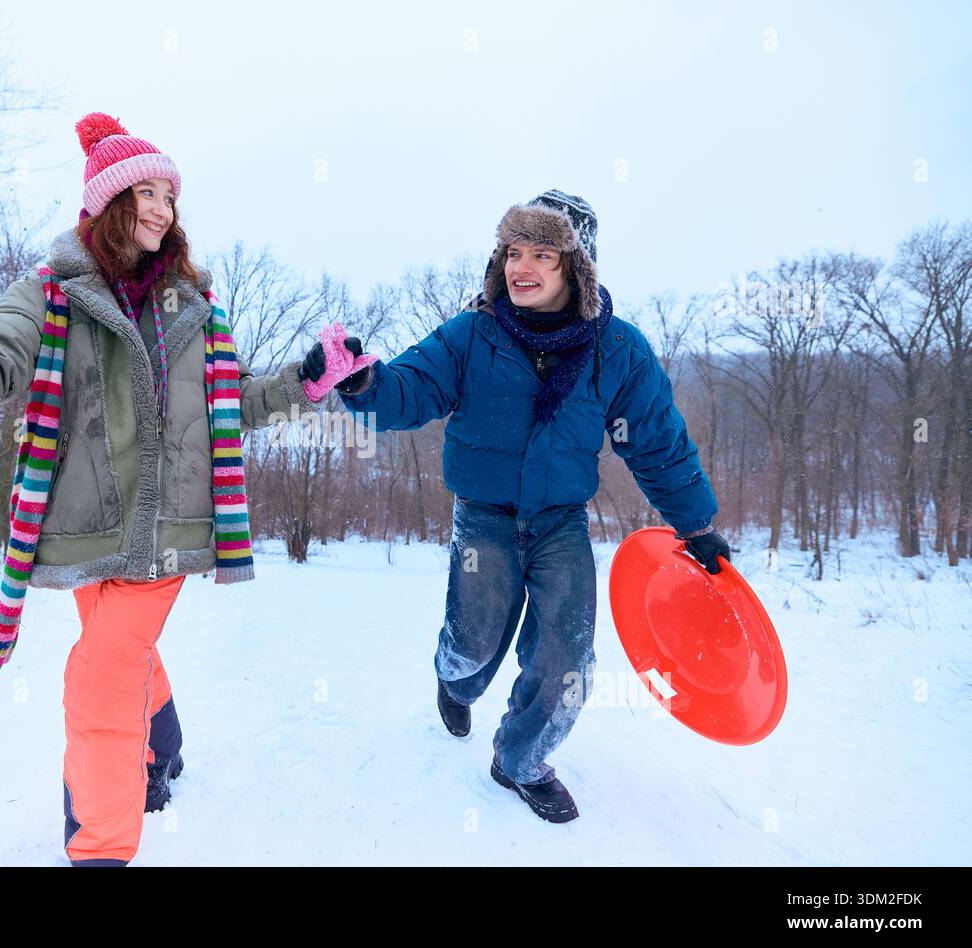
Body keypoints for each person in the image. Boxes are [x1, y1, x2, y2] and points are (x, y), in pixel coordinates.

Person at [0, 113, 329, 865]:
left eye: (170, 193)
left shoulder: (192, 305)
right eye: (147, 191)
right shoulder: (51, 292)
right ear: (108, 201)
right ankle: (161, 747)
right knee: (122, 650)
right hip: (83, 526)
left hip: (170, 529)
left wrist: (307, 382)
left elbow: (234, 402)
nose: (164, 208)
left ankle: (100, 849)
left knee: (101, 673)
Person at [300, 190, 731, 823]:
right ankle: (455, 679)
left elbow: (659, 444)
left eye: (541, 254)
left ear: (576, 269)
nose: (520, 268)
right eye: (513, 252)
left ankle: (521, 761)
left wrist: (695, 525)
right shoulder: (473, 335)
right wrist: (363, 381)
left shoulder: (619, 350)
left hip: (560, 522)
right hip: (484, 517)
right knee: (474, 644)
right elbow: (412, 389)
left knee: (567, 654)